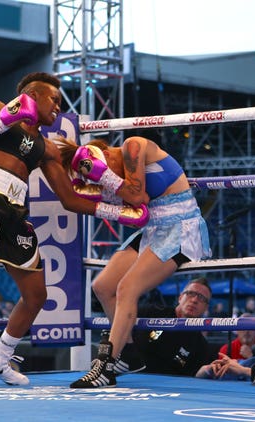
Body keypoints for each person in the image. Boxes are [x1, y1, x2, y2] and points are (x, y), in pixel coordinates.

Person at [0, 72, 148, 396]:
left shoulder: (47, 148)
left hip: (14, 208)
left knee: (37, 294)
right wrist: (4, 118)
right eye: (53, 99)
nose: (58, 107)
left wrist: (118, 211)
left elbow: (70, 198)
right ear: (33, 95)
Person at [61, 136, 211, 388]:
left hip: (181, 225)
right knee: (103, 287)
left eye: (100, 172)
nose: (101, 179)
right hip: (153, 229)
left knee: (127, 288)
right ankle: (128, 354)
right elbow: (133, 213)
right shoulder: (113, 177)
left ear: (106, 156)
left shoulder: (134, 146)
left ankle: (105, 366)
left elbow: (137, 197)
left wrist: (105, 178)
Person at [132, 277, 214, 377]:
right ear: (180, 298)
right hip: (130, 379)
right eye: (191, 294)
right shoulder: (150, 312)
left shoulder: (201, 345)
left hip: (168, 389)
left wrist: (207, 370)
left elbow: (194, 377)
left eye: (202, 298)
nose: (194, 300)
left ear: (206, 308)